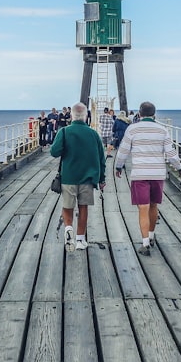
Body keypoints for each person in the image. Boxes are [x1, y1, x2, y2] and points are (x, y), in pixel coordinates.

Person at [113, 101, 181, 255]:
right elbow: (171, 154)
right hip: (157, 173)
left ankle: (145, 243)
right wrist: (180, 168)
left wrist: (118, 166)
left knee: (143, 207)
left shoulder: (132, 129)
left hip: (140, 173)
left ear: (139, 114)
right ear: (154, 115)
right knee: (153, 205)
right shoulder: (163, 130)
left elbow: (123, 151)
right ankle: (151, 235)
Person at [50, 102, 107, 251]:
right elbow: (102, 159)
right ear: (86, 116)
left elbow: (54, 152)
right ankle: (80, 240)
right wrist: (102, 179)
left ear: (71, 115)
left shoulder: (64, 132)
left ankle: (68, 227)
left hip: (68, 176)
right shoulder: (94, 134)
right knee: (83, 208)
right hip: (88, 178)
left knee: (67, 206)